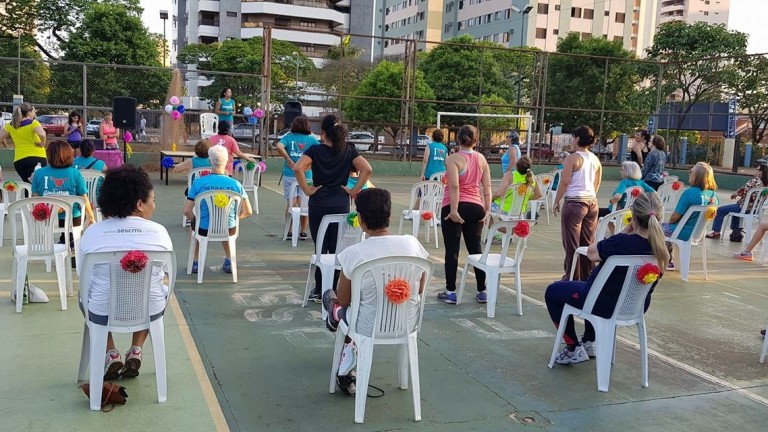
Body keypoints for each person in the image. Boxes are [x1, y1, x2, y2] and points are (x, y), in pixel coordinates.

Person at [322, 188, 429, 395]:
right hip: (406, 322)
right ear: (389, 215)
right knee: (352, 309)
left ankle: (334, 317)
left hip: (366, 325)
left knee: (339, 305)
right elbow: (421, 287)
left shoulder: (353, 253)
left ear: (360, 219)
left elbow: (344, 299)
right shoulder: (412, 243)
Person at [546, 192, 669, 364]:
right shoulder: (662, 248)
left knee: (553, 291)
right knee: (592, 288)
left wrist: (624, 231)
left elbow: (591, 253)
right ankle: (589, 340)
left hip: (602, 303)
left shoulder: (621, 242)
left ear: (633, 217)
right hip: (635, 306)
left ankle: (573, 347)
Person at [78, 165, 173, 379]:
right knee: (153, 290)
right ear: (139, 204)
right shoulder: (159, 233)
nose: (153, 205)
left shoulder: (92, 233)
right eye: (153, 200)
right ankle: (136, 349)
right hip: (148, 309)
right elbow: (167, 272)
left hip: (103, 311)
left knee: (90, 296)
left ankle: (110, 352)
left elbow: (83, 277)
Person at [294, 114, 373, 303]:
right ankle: (333, 289)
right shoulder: (348, 150)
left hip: (319, 203)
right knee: (337, 248)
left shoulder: (315, 150)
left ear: (323, 133)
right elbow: (367, 169)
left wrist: (306, 189)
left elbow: (298, 168)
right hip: (340, 203)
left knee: (321, 246)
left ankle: (320, 289)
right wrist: (354, 190)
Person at [437, 125, 492, 304]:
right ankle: (482, 290)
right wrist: (488, 209)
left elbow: (454, 186)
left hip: (456, 206)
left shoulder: (453, 159)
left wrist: (453, 210)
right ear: (476, 140)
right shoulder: (482, 158)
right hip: (476, 206)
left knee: (452, 250)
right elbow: (487, 186)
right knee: (475, 249)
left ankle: (451, 292)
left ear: (458, 138)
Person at [184, 145, 253, 274]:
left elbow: (187, 211)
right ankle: (229, 260)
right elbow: (248, 211)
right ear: (226, 162)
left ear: (210, 161)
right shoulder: (236, 184)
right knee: (225, 222)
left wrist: (195, 220)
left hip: (204, 228)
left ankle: (195, 261)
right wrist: (236, 218)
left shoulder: (198, 183)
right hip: (229, 229)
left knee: (194, 226)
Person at [553, 126, 603, 281]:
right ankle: (588, 276)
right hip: (591, 203)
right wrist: (590, 196)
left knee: (572, 244)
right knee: (588, 242)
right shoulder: (595, 159)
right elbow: (597, 183)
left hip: (575, 203)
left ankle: (572, 277)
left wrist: (557, 200)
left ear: (577, 139)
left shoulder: (572, 158)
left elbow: (565, 181)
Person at [663, 162, 719, 270]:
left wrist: (669, 223)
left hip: (682, 232)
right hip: (698, 233)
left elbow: (675, 217)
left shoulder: (690, 193)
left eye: (691, 172)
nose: (689, 174)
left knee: (654, 228)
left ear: (698, 176)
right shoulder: (714, 196)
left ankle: (666, 259)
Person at [31, 140, 95, 232]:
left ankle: (61, 240)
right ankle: (70, 240)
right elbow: (84, 198)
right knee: (78, 212)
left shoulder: (39, 173)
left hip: (47, 218)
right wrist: (91, 217)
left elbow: (35, 198)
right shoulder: (75, 173)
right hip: (72, 218)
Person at [276, 116, 320, 240]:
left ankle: (289, 230)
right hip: (306, 176)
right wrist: (310, 164)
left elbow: (279, 146)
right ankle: (303, 231)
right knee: (304, 204)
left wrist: (288, 159)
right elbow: (321, 151)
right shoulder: (311, 139)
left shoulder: (288, 138)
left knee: (291, 203)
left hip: (290, 174)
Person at [707, 158, 768, 240]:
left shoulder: (754, 181)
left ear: (761, 172)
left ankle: (716, 232)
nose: (755, 170)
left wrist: (735, 193)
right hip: (755, 209)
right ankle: (736, 231)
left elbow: (743, 191)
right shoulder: (765, 184)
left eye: (757, 169)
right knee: (735, 210)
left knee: (720, 210)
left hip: (744, 207)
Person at [0, 102, 47, 182]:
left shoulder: (11, 125)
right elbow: (42, 134)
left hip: (20, 160)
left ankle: (27, 194)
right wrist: (42, 143)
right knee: (38, 185)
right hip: (37, 157)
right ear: (29, 113)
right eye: (34, 111)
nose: (34, 114)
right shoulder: (33, 123)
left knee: (27, 185)